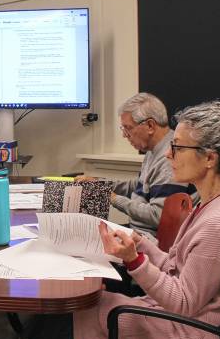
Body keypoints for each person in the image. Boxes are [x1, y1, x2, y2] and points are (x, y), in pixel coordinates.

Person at [26, 98, 220, 339]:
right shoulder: (212, 203)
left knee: (73, 315)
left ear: (210, 158)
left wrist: (135, 261)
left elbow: (184, 302)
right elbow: (177, 270)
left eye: (177, 148)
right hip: (184, 321)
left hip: (193, 338)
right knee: (72, 313)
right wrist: (140, 245)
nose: (168, 154)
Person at [78, 92, 196, 237]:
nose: (124, 135)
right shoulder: (153, 151)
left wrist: (113, 198)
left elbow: (158, 216)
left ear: (150, 125)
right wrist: (101, 185)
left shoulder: (169, 158)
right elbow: (141, 186)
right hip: (138, 232)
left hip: (149, 241)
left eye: (128, 128)